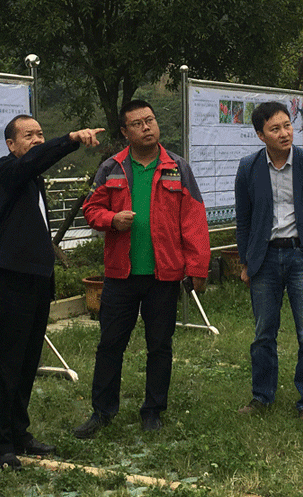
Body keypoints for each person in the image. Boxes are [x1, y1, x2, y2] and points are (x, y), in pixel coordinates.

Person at [75, 100, 211, 438]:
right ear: (125, 132)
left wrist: (197, 267)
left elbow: (194, 219)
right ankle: (102, 412)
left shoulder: (177, 168)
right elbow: (91, 209)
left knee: (160, 346)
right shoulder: (111, 168)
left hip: (163, 275)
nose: (146, 127)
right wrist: (111, 219)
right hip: (120, 275)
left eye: (150, 120)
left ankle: (153, 411)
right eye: (137, 123)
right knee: (110, 345)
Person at [0, 115, 104, 469]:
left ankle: (19, 432)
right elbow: (34, 161)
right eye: (28, 135)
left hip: (37, 281)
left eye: (40, 134)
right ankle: (0, 445)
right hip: (11, 281)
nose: (37, 140)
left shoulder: (33, 178)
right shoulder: (5, 171)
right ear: (10, 144)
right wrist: (70, 139)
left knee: (27, 363)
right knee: (6, 365)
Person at [233, 100, 303, 423]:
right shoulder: (248, 168)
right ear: (260, 135)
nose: (284, 133)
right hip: (264, 258)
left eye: (287, 125)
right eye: (275, 129)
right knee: (264, 333)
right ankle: (262, 396)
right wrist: (246, 261)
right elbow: (244, 219)